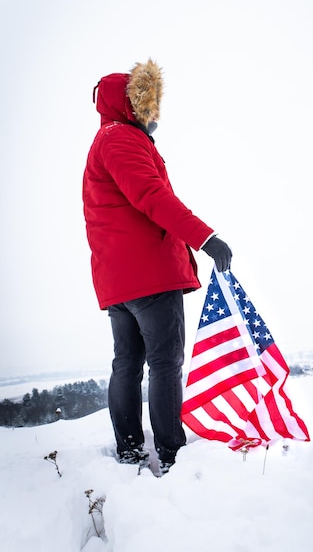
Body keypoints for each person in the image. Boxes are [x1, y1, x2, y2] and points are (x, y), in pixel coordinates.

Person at [82, 58, 232, 475]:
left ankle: (130, 450)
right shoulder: (121, 140)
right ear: (132, 105)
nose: (153, 117)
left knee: (127, 363)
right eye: (147, 107)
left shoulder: (105, 142)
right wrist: (205, 238)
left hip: (119, 282)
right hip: (149, 276)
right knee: (165, 363)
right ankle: (171, 454)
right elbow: (152, 197)